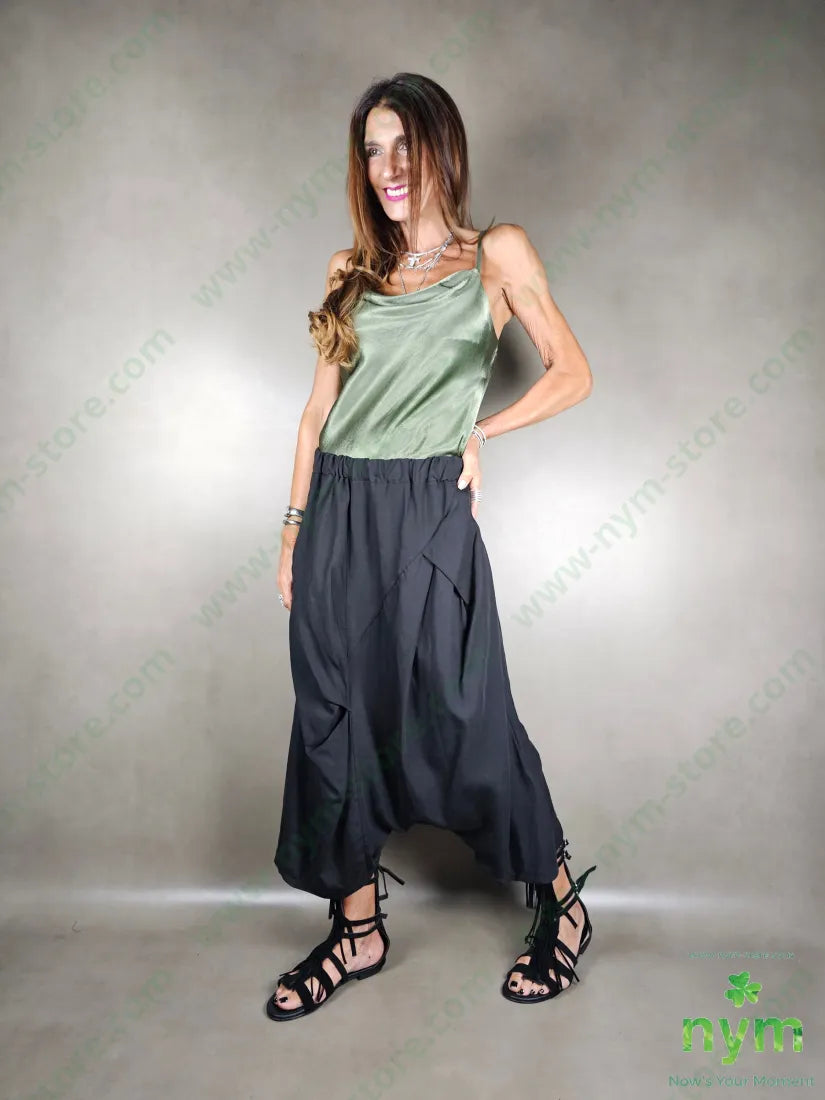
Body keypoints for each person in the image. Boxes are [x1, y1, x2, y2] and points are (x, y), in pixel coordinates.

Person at [267, 72, 596, 1022]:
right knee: (333, 716)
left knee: (467, 717)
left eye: (403, 145)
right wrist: (291, 531)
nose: (387, 167)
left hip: (427, 509)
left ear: (442, 148)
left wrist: (480, 432)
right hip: (338, 511)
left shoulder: (496, 253)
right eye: (371, 150)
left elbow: (572, 373)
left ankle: (563, 906)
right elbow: (315, 414)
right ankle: (356, 931)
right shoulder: (350, 269)